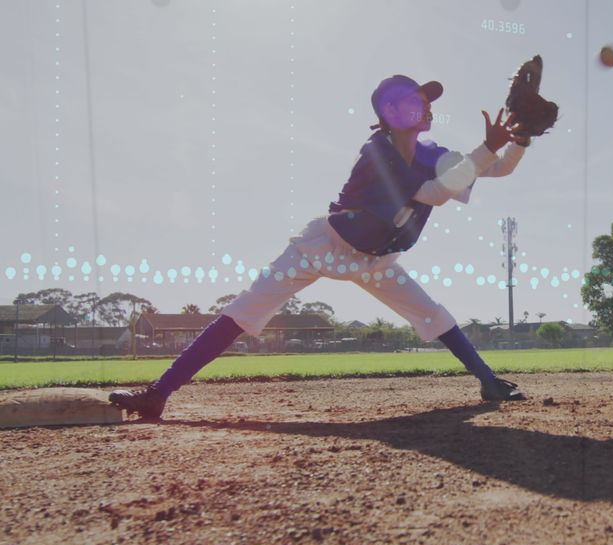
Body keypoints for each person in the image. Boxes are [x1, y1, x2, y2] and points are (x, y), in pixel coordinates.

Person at [110, 74, 531, 419]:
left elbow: (500, 167)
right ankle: (159, 393)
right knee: (246, 308)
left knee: (431, 312)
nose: (428, 106)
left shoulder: (433, 152)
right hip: (325, 245)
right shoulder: (377, 151)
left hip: (376, 259)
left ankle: (487, 380)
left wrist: (522, 135)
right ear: (391, 112)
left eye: (428, 100)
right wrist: (486, 148)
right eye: (418, 100)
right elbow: (433, 192)